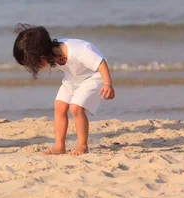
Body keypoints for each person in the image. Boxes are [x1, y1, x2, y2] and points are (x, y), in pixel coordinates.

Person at [13, 24, 115, 155]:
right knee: (59, 106)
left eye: (33, 63)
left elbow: (101, 63)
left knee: (75, 108)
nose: (35, 67)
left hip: (94, 76)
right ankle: (59, 146)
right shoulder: (51, 55)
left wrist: (108, 83)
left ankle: (82, 146)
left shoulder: (79, 50)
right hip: (73, 78)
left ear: (42, 55)